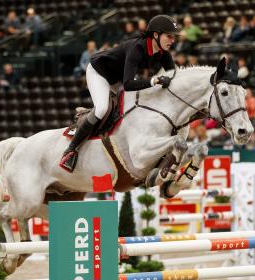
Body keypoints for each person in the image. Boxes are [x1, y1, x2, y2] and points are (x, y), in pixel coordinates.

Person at [60, 15, 180, 172]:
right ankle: (71, 149)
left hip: (119, 77)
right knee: (102, 108)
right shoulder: (137, 47)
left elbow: (175, 76)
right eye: (169, 36)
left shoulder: (163, 53)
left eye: (173, 37)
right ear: (156, 35)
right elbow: (129, 84)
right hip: (100, 73)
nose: (172, 40)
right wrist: (154, 81)